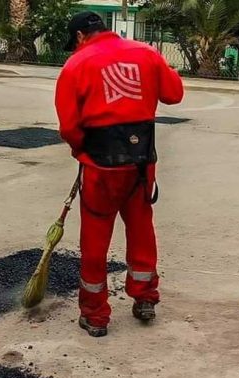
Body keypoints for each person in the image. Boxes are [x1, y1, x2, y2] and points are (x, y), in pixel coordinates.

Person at [55, 11, 184, 337]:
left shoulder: (76, 66)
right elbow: (174, 94)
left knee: (95, 237)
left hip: (101, 167)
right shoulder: (146, 53)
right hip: (141, 165)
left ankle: (95, 314)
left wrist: (81, 151)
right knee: (141, 228)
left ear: (81, 37)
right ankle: (145, 299)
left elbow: (69, 127)